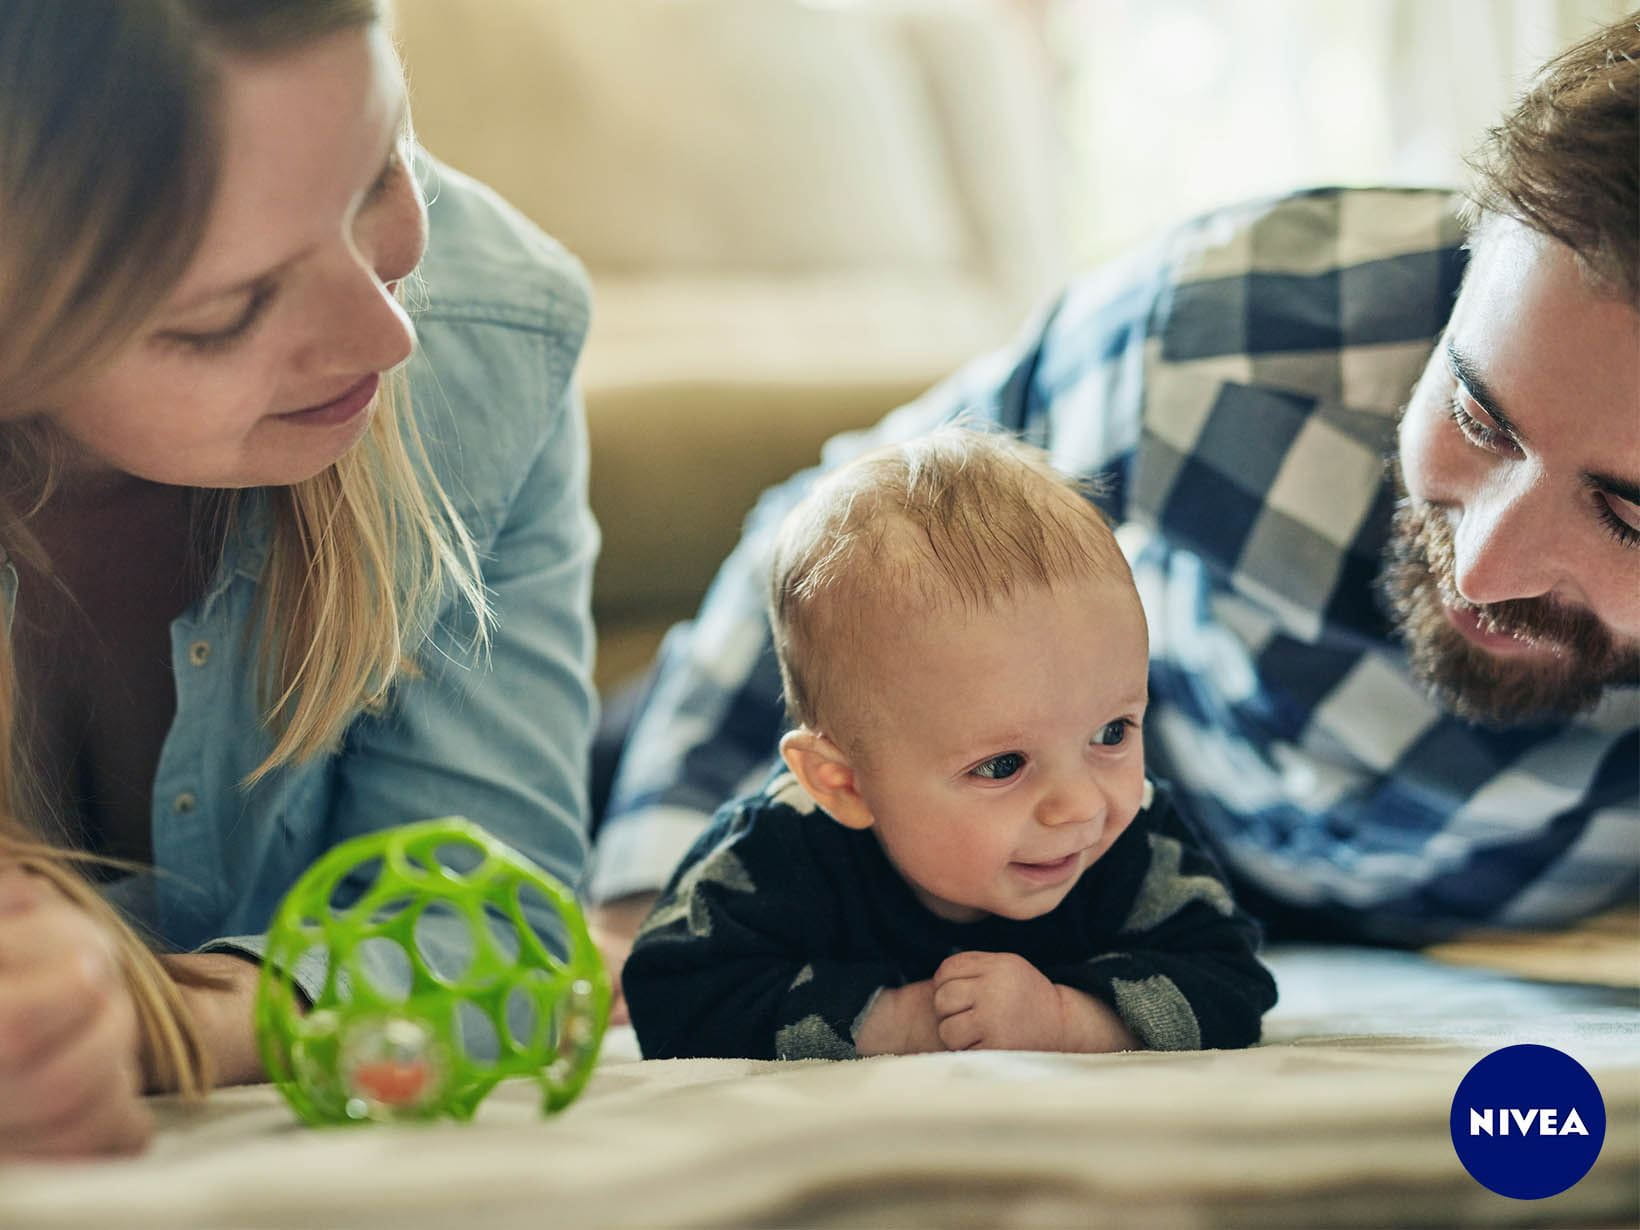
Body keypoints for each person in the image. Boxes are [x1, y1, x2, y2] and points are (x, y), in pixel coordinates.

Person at [592, 16, 1640, 964]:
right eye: (1473, 418)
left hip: (1271, 918)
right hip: (992, 789)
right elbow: (835, 531)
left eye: (1627, 515)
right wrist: (648, 894)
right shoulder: (1235, 332)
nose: (1484, 563)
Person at [0, 1, 597, 1158]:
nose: (387, 336)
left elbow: (502, 942)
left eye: (380, 169)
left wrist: (158, 1023)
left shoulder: (491, 323)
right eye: (226, 312)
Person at [623, 429, 1275, 1060]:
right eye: (1003, 765)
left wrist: (1068, 1020)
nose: (1078, 805)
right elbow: (671, 998)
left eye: (1112, 733)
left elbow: (1232, 983)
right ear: (842, 784)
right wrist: (895, 1022)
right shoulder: (776, 853)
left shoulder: (1133, 839)